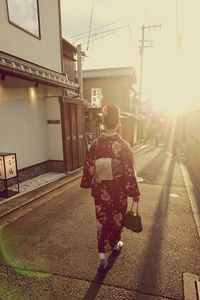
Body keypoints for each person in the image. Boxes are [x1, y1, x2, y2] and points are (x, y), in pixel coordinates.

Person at [80, 104, 140, 271]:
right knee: (116, 220)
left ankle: (101, 256)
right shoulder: (123, 145)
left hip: (101, 192)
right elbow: (128, 171)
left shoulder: (95, 144)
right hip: (118, 192)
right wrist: (134, 192)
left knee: (102, 221)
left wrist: (88, 181)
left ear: (103, 122)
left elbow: (89, 167)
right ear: (118, 122)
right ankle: (114, 246)